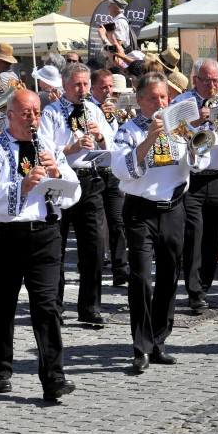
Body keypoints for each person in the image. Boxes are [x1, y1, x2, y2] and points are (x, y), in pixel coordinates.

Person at [0, 89, 81, 400]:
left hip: (45, 235)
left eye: (36, 112)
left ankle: (54, 376)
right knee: (4, 302)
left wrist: (57, 172)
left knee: (47, 306)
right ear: (9, 116)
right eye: (26, 113)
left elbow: (73, 193)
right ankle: (1, 369)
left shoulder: (48, 147)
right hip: (4, 237)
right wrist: (20, 185)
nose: (33, 118)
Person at [111, 72, 210, 372]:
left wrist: (194, 141)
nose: (159, 102)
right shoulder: (127, 131)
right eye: (153, 98)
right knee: (141, 277)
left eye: (164, 97)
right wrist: (150, 138)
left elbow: (200, 163)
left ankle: (159, 340)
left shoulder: (179, 128)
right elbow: (120, 168)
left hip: (173, 208)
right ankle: (140, 346)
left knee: (170, 274)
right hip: (140, 211)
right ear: (139, 100)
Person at [40, 63, 115, 324]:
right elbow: (44, 151)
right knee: (56, 247)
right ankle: (54, 306)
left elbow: (111, 149)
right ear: (64, 83)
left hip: (90, 180)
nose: (82, 90)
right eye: (76, 85)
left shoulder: (93, 109)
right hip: (61, 182)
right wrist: (70, 149)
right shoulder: (50, 113)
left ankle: (90, 306)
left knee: (93, 248)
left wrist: (101, 138)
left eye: (85, 85)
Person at [173, 59, 218, 312]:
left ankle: (204, 286)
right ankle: (194, 291)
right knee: (193, 235)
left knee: (214, 237)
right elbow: (170, 134)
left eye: (216, 80)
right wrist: (194, 123)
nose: (212, 85)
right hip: (193, 179)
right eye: (206, 80)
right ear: (195, 79)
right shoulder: (182, 104)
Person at [89, 68, 129, 287]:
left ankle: (120, 268)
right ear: (93, 88)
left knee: (118, 221)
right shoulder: (88, 109)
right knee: (96, 225)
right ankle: (94, 266)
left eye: (110, 86)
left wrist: (114, 117)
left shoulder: (113, 109)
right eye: (104, 87)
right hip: (94, 171)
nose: (108, 91)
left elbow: (116, 140)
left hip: (112, 171)